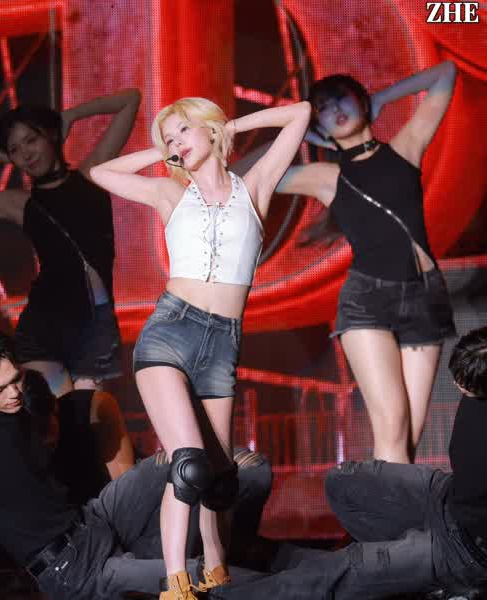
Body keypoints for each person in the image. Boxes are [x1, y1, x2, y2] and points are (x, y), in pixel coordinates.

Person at [90, 96, 311, 597]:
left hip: (222, 342)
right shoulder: (170, 193)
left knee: (220, 478)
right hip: (170, 331)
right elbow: (101, 173)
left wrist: (231, 126)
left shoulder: (255, 187)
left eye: (183, 131)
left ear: (211, 130)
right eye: (168, 137)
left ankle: (215, 566)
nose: (175, 143)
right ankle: (176, 583)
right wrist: (161, 153)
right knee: (187, 465)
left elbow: (299, 112)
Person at [0, 327, 271, 600]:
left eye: (15, 379)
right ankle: (298, 586)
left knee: (178, 462)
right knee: (198, 577)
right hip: (71, 569)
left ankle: (230, 499)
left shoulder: (25, 399)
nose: (13, 393)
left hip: (91, 519)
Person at [0, 91, 141, 484]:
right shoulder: (19, 202)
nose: (25, 153)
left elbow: (131, 99)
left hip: (93, 327)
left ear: (51, 136)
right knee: (56, 425)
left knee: (92, 424)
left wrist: (71, 116)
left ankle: (109, 506)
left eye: (31, 140)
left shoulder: (92, 175)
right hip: (45, 327)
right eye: (15, 149)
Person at [267, 61, 458, 463]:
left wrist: (382, 98)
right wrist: (297, 127)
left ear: (361, 101)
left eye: (342, 98)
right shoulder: (324, 176)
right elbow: (246, 175)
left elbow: (446, 72)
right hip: (369, 301)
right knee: (392, 428)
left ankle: (389, 505)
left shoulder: (405, 147)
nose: (335, 109)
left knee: (408, 439)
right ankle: (387, 508)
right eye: (323, 108)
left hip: (426, 298)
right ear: (319, 127)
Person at [213, 326, 487, 599]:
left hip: (464, 547)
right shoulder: (478, 379)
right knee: (344, 481)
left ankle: (215, 591)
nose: (457, 386)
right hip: (446, 495)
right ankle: (402, 573)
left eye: (464, 383)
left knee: (335, 574)